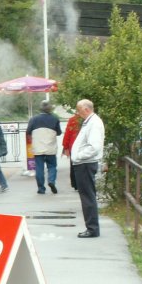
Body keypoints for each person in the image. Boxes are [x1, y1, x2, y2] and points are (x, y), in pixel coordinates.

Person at [70, 99, 105, 238]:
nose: (78, 113)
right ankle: (91, 227)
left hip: (85, 163)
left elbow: (94, 147)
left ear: (86, 109)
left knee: (87, 196)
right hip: (83, 163)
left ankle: (92, 228)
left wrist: (78, 156)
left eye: (79, 110)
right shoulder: (90, 121)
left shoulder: (94, 123)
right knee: (86, 195)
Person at [27, 100, 62, 194]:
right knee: (52, 166)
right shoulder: (55, 119)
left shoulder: (33, 119)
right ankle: (51, 181)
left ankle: (41, 189)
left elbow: (28, 132)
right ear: (50, 108)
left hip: (38, 148)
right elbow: (59, 133)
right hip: (50, 148)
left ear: (40, 108)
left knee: (39, 168)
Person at [61, 110, 83, 190]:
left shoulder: (72, 120)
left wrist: (65, 146)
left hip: (73, 146)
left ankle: (75, 184)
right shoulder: (86, 120)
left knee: (73, 165)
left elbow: (68, 133)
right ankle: (83, 183)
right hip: (84, 146)